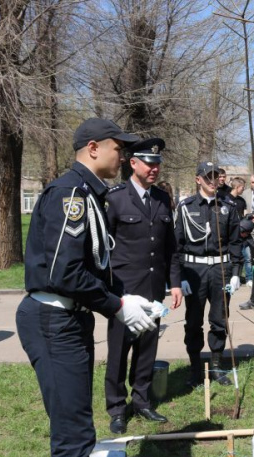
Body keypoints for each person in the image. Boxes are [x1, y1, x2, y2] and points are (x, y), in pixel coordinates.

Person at [16, 118, 156, 457]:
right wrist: (116, 306)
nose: (123, 155)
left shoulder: (88, 192)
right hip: (53, 319)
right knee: (74, 435)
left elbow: (92, 263)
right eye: (117, 147)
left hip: (69, 319)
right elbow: (65, 272)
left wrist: (126, 295)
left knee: (77, 430)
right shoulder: (71, 195)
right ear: (93, 148)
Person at [104, 138, 180, 434]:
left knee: (148, 347)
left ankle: (142, 400)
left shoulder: (162, 199)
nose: (154, 169)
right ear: (132, 163)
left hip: (153, 286)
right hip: (123, 287)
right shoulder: (115, 198)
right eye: (149, 163)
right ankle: (116, 406)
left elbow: (169, 248)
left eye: (157, 164)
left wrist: (175, 284)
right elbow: (103, 248)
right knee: (119, 349)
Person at [172, 161, 243, 388]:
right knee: (193, 322)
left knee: (219, 320)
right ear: (198, 179)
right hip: (194, 271)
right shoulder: (185, 207)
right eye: (207, 177)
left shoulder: (228, 206)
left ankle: (216, 366)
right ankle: (194, 369)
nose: (212, 181)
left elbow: (235, 242)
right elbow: (178, 245)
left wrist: (236, 273)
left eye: (215, 176)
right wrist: (180, 277)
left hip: (220, 270)